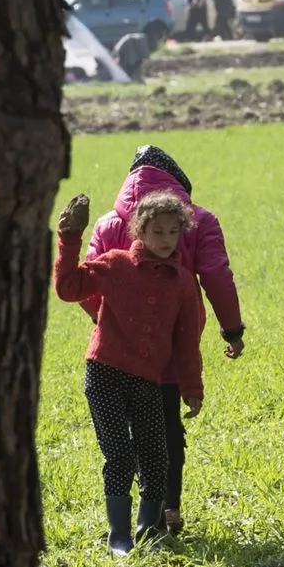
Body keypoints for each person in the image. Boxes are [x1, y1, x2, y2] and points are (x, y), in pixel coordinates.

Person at [81, 145, 245, 535]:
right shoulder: (199, 220)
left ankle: (139, 517)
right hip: (172, 343)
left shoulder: (107, 223)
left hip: (116, 350)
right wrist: (232, 329)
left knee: (126, 435)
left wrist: (108, 320)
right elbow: (217, 275)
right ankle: (167, 510)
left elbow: (87, 283)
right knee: (166, 425)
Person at [54, 192, 204, 556]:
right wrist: (70, 239)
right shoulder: (116, 264)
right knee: (119, 454)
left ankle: (148, 530)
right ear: (139, 231)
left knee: (156, 456)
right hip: (104, 373)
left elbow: (187, 341)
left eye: (173, 232)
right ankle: (118, 535)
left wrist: (191, 387)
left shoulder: (183, 283)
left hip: (148, 380)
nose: (166, 240)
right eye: (157, 232)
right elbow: (68, 288)